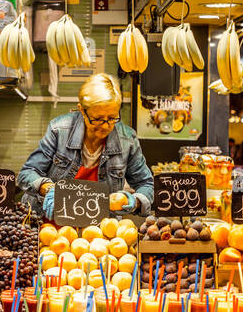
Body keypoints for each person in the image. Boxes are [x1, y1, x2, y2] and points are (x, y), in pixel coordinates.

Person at [17, 73, 154, 219]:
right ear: (82, 110)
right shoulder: (59, 130)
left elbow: (146, 184)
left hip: (98, 230)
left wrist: (135, 201)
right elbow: (26, 173)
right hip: (50, 223)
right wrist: (48, 188)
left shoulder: (128, 140)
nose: (105, 126)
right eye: (97, 119)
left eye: (112, 118)